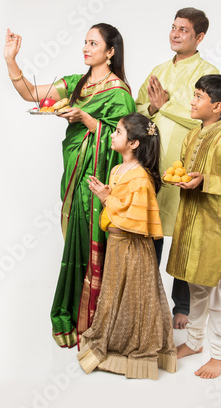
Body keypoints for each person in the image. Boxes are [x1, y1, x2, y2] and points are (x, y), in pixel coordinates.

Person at [4, 23, 136, 349]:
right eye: (85, 42)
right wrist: (11, 60)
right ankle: (77, 315)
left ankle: (102, 322)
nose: (86, 48)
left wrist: (88, 120)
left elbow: (130, 142)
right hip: (76, 176)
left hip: (99, 182)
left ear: (111, 51)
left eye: (93, 43)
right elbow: (32, 94)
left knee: (99, 244)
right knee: (75, 242)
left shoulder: (119, 93)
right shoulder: (77, 84)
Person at [136, 7, 219, 329]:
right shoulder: (158, 69)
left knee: (183, 235)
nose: (175, 34)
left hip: (185, 166)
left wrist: (165, 106)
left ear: (199, 37)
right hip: (153, 162)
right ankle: (147, 299)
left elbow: (203, 114)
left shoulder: (208, 72)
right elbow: (139, 106)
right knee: (151, 230)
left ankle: (181, 306)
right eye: (173, 27)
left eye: (183, 30)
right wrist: (153, 106)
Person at [76, 113, 177, 379]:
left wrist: (107, 198)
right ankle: (111, 339)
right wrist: (106, 194)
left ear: (133, 143)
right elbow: (119, 204)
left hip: (133, 248)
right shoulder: (117, 170)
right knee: (114, 294)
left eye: (118, 132)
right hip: (117, 245)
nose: (112, 135)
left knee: (135, 298)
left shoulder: (141, 178)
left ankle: (133, 349)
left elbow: (134, 220)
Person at [166, 74, 221, 379]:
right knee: (195, 287)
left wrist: (206, 181)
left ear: (217, 106)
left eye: (199, 96)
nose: (192, 100)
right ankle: (194, 342)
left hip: (216, 228)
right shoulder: (191, 136)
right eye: (194, 94)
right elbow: (186, 173)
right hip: (190, 223)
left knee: (217, 294)